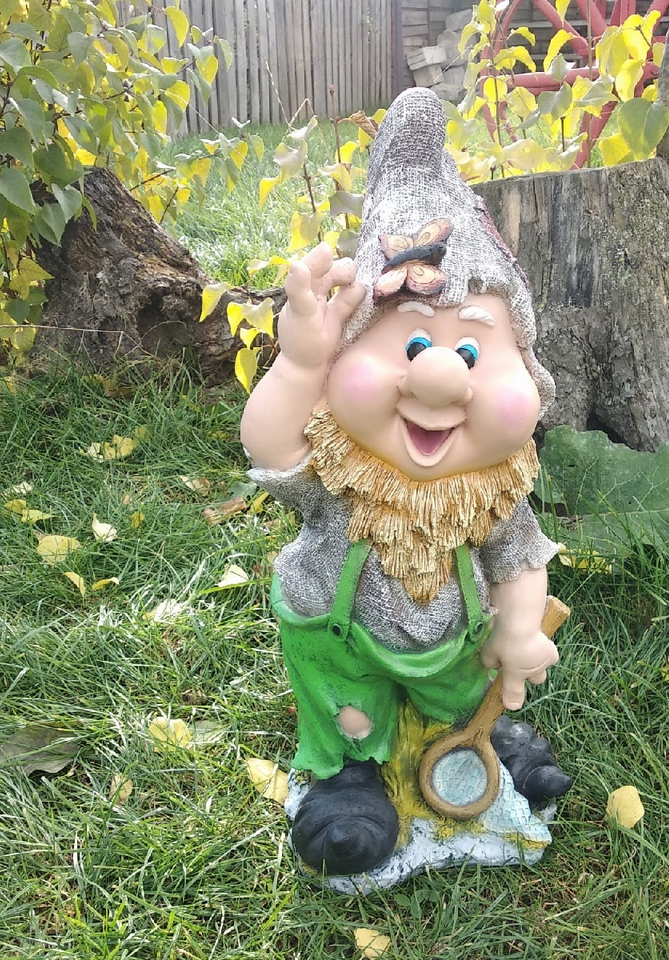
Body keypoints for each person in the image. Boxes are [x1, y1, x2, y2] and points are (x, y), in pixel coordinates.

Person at [240, 88, 570, 876]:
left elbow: (520, 559)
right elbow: (269, 445)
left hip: (454, 647)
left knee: (464, 691)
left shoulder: (490, 488)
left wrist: (520, 629)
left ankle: (479, 742)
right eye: (411, 343)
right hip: (340, 643)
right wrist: (301, 364)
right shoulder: (343, 465)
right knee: (349, 709)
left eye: (472, 352)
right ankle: (349, 781)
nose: (439, 378)